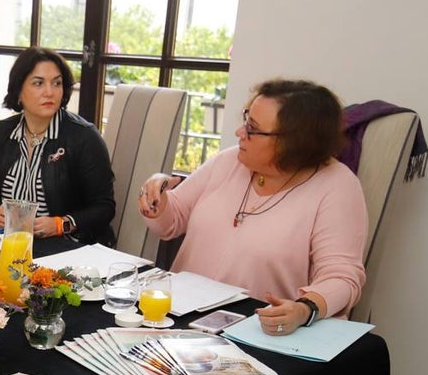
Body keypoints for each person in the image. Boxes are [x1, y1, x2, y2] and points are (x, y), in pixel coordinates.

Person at [138, 79, 367, 333]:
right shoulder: (230, 161)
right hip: (178, 318)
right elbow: (173, 219)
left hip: (255, 332)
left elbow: (342, 277)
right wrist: (157, 201)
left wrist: (305, 308)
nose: (240, 133)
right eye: (246, 120)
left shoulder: (337, 186)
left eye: (252, 128)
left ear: (293, 142)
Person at [0, 47, 116, 244]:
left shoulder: (84, 137)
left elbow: (104, 207)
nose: (49, 92)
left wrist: (60, 224)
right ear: (19, 91)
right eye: (38, 83)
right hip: (11, 241)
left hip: (69, 245)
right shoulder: (1, 133)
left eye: (57, 83)